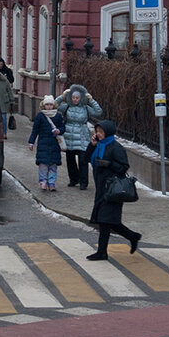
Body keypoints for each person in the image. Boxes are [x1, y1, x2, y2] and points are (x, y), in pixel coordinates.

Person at [87, 119, 142, 260]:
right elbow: (87, 159)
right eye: (97, 131)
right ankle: (133, 236)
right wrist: (92, 146)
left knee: (105, 221)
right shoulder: (99, 145)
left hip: (113, 189)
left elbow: (124, 167)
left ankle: (102, 252)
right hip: (101, 187)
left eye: (101, 131)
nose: (98, 134)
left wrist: (109, 164)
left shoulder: (115, 147)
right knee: (108, 221)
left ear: (108, 132)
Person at [54, 84, 103, 189]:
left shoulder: (85, 108)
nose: (75, 100)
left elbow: (98, 112)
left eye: (77, 98)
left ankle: (83, 182)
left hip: (82, 137)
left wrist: (91, 100)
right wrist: (62, 97)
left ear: (81, 98)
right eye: (73, 97)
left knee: (83, 160)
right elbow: (54, 105)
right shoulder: (67, 107)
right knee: (70, 160)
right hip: (69, 137)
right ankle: (73, 179)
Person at [27, 96, 65, 191]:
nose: (49, 107)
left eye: (50, 104)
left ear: (54, 105)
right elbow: (35, 130)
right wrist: (31, 142)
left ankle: (52, 182)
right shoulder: (40, 116)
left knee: (53, 165)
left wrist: (59, 131)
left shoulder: (58, 116)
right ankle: (43, 181)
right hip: (43, 143)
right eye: (47, 105)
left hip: (54, 144)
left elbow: (63, 128)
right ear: (43, 105)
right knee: (43, 164)